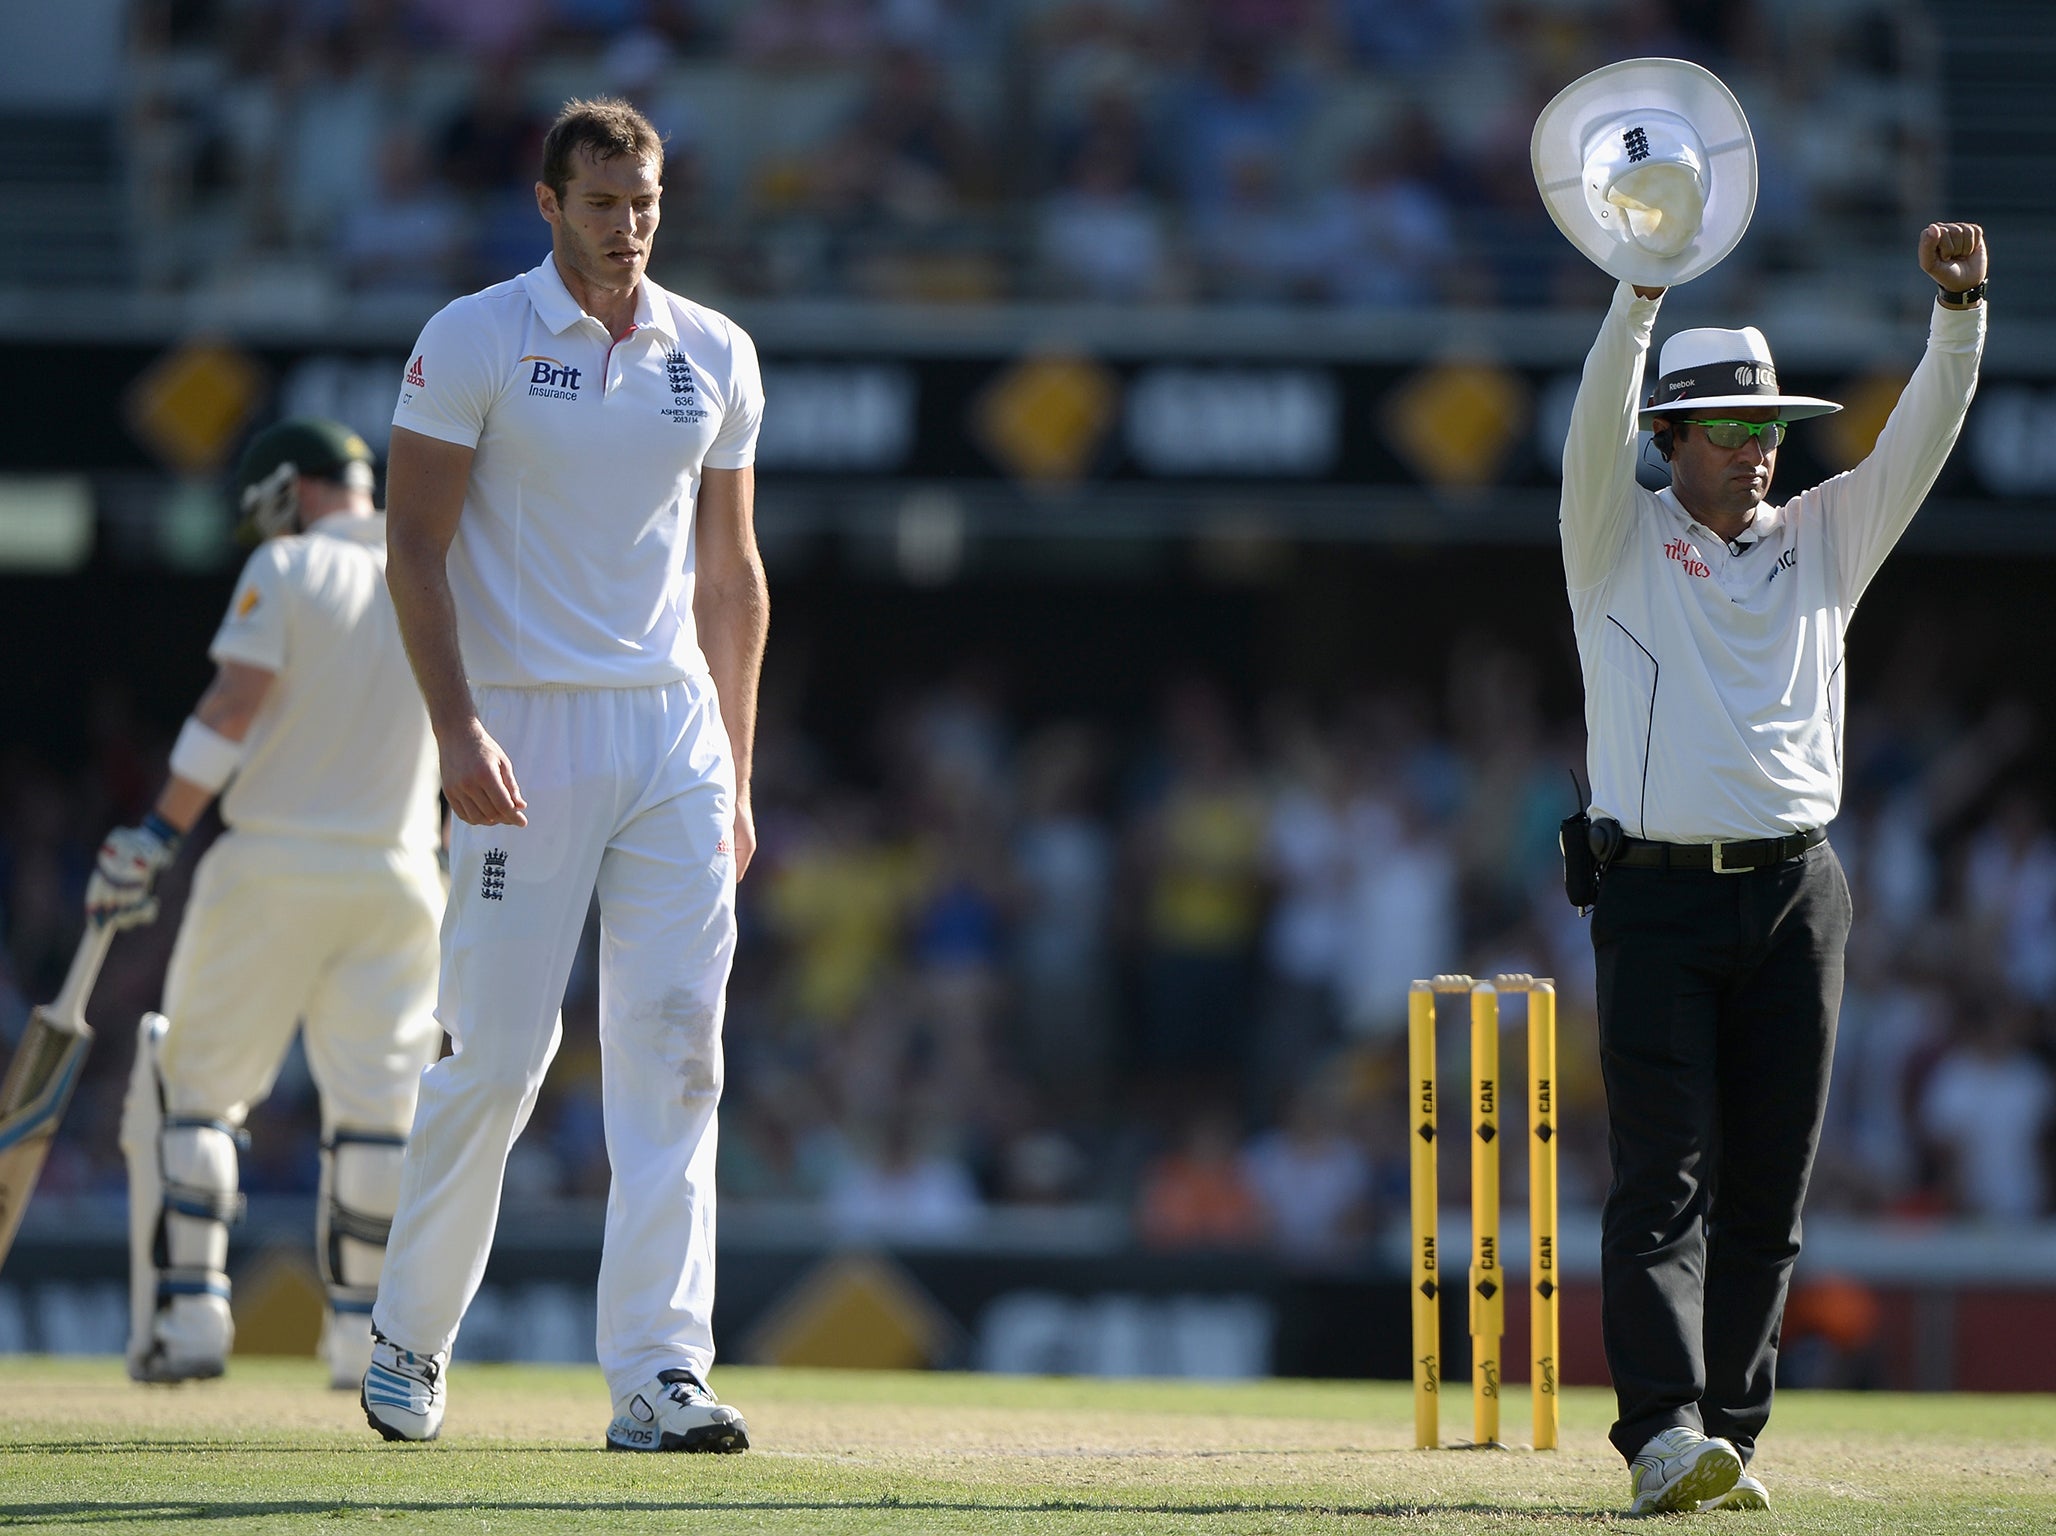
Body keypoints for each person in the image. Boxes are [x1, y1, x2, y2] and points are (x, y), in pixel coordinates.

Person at [361, 97, 767, 1454]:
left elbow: (730, 575)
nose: (628, 227)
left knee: (678, 1054)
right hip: (522, 732)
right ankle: (410, 1336)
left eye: (645, 202)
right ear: (548, 204)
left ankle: (660, 1373)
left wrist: (738, 774)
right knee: (497, 1060)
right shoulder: (474, 336)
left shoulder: (714, 350)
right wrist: (457, 729)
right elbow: (412, 550)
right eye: (602, 203)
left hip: (673, 733)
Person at [1561, 223, 1987, 1514]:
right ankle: (1661, 1434)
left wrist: (1959, 312)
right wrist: (1638, 297)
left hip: (1802, 893)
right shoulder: (1613, 536)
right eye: (1731, 428)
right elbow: (1591, 428)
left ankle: (1730, 1440)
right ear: (1669, 438)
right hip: (1656, 893)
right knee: (1663, 1180)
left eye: (1769, 428)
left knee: (1768, 1191)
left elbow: (1921, 439)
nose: (1758, 449)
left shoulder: (1826, 535)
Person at [88, 418, 444, 1390]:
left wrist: (156, 833)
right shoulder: (440, 568)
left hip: (274, 863)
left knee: (198, 1092)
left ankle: (193, 1318)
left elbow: (232, 706)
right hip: (402, 871)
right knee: (378, 1112)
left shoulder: (287, 567)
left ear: (294, 486)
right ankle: (363, 1339)